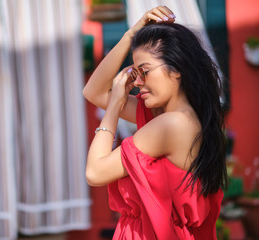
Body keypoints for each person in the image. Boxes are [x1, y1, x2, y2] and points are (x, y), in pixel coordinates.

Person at [83, 6, 227, 240]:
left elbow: (95, 172)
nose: (138, 81)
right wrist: (130, 36)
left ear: (177, 68)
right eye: (136, 72)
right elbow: (94, 91)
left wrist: (115, 107)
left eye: (145, 71)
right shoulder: (176, 116)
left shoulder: (171, 125)